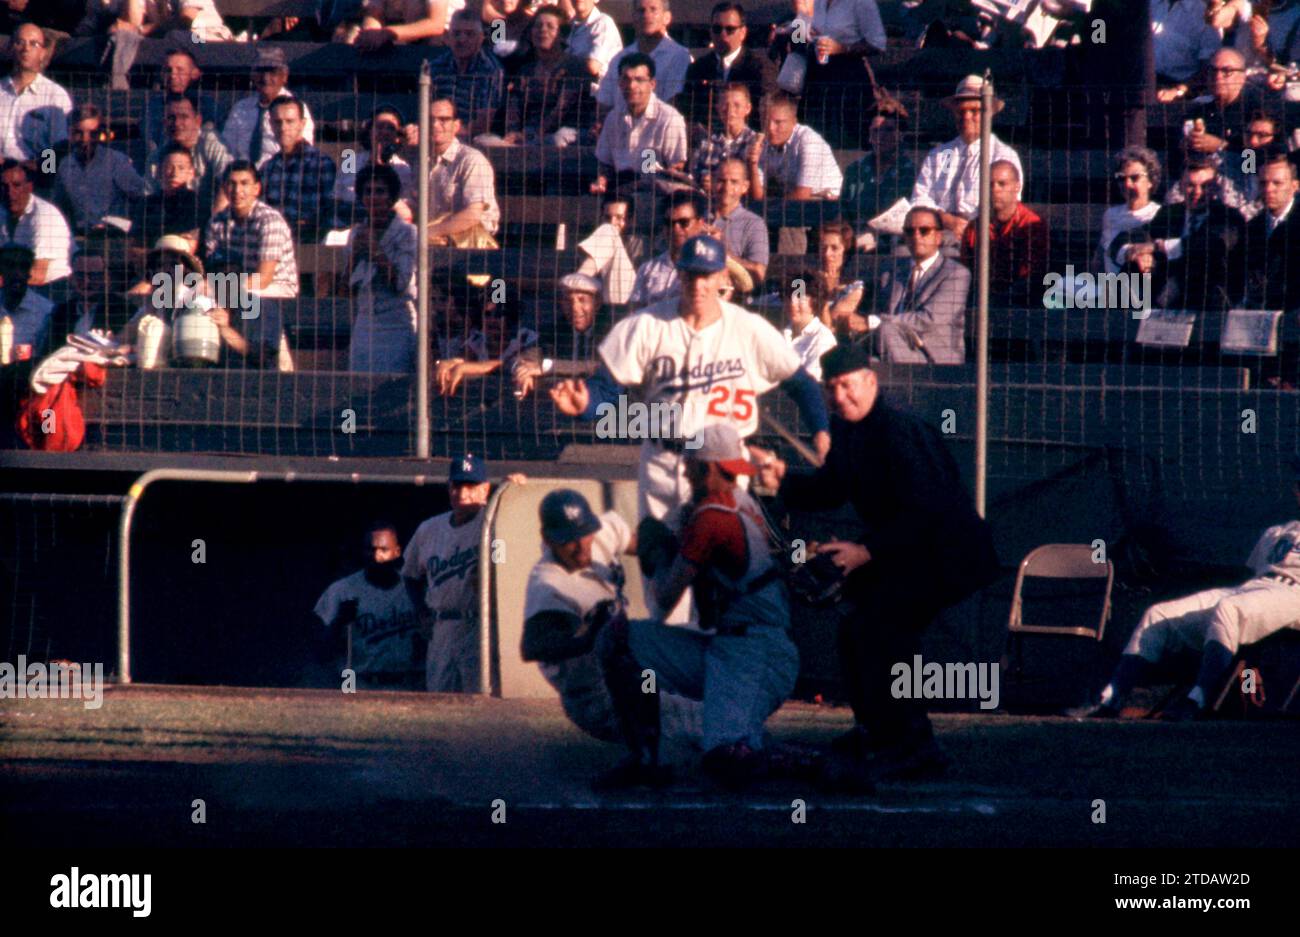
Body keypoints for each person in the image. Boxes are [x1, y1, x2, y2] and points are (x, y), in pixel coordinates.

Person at [750, 344, 999, 790]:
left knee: (881, 630)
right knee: (859, 632)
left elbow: (928, 510)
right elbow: (831, 489)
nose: (839, 396)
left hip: (950, 552)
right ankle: (884, 734)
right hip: (909, 550)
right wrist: (781, 480)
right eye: (830, 389)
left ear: (871, 381)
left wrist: (866, 551)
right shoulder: (849, 432)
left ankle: (909, 747)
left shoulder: (900, 429)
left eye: (847, 385)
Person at [548, 234, 830, 626]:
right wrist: (584, 407)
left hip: (722, 469)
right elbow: (605, 392)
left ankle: (719, 672)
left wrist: (821, 430)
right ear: (679, 275)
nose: (698, 285)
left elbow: (799, 382)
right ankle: (669, 679)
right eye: (690, 275)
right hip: (666, 462)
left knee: (723, 582)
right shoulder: (647, 326)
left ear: (721, 278)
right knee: (664, 584)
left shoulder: (747, 329)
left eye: (707, 276)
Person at [595, 422, 799, 788]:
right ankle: (645, 759)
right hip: (729, 644)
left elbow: (666, 596)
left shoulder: (711, 517)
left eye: (691, 466)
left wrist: (658, 557)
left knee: (725, 761)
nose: (685, 473)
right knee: (620, 638)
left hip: (755, 653)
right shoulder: (742, 502)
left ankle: (808, 763)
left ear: (707, 468)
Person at [1083, 464, 1300, 721]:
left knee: (1230, 608)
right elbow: (1251, 577)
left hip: (1294, 593)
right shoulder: (1278, 531)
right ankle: (1111, 697)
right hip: (1257, 587)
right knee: (1158, 613)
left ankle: (1197, 699)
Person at [403, 454, 525, 692]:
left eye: (471, 487)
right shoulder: (429, 529)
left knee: (481, 698)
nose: (463, 494)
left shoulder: (495, 520)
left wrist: (515, 489)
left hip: (481, 626)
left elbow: (521, 513)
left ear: (485, 489)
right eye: (457, 486)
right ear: (449, 487)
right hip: (442, 627)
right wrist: (422, 614)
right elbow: (409, 575)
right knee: (440, 700)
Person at [1111, 153, 1247, 312]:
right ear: (1181, 186)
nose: (1197, 192)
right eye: (1190, 185)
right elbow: (1124, 239)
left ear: (1215, 186)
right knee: (1129, 270)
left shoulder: (1229, 217)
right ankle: (1121, 327)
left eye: (1204, 186)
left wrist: (1157, 246)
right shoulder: (1170, 213)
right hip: (1164, 298)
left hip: (1208, 303)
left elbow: (1210, 244)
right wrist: (1135, 253)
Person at [313, 520, 424, 690]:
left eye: (384, 550)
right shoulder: (342, 590)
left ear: (397, 552)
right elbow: (321, 653)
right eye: (370, 550)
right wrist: (339, 621)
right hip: (358, 682)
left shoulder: (414, 589)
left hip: (406, 682)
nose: (376, 556)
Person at [911, 75, 1023, 240]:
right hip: (936, 233)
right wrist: (947, 220)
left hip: (982, 238)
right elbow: (919, 198)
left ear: (989, 114)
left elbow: (1007, 206)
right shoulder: (941, 155)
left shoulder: (1002, 156)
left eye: (975, 111)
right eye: (961, 111)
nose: (966, 117)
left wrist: (969, 228)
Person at [345, 164, 419, 373]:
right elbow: (344, 290)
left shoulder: (408, 233)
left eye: (380, 191)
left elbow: (402, 284)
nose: (373, 197)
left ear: (391, 197)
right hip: (364, 324)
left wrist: (376, 253)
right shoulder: (356, 233)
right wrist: (354, 257)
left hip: (396, 324)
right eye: (368, 191)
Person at [591, 53, 689, 210]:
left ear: (652, 84)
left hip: (655, 195)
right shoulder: (613, 117)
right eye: (626, 79)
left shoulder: (669, 118)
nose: (631, 86)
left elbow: (677, 166)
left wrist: (648, 181)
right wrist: (601, 180)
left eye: (639, 80)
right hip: (619, 190)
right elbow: (605, 163)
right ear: (619, 83)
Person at [875, 205, 970, 365]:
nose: (916, 236)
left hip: (935, 358)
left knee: (885, 330)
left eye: (924, 230)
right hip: (893, 349)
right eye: (910, 231)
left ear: (938, 237)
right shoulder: (891, 273)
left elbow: (929, 319)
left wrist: (874, 322)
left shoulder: (956, 273)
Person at [958, 160, 1049, 311]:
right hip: (980, 301)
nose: (995, 190)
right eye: (990, 184)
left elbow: (1032, 278)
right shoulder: (974, 227)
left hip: (1024, 305)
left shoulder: (1032, 225)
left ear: (1017, 187)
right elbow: (964, 272)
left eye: (1002, 184)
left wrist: (995, 302)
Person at [497, 6, 590, 147]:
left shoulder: (574, 67)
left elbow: (560, 110)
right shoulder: (526, 70)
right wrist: (513, 132)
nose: (542, 30)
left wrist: (533, 135)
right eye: (538, 26)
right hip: (526, 133)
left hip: (563, 132)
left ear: (562, 35)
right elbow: (514, 106)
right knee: (484, 141)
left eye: (550, 27)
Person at [802, 0, 886, 146]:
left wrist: (842, 48)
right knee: (813, 137)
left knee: (847, 138)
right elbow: (798, 36)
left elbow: (877, 44)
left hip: (848, 79)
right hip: (815, 76)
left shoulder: (862, 3)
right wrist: (800, 32)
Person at [51, 104, 145, 232]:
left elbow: (142, 197)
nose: (85, 139)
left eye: (92, 133)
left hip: (114, 232)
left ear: (100, 133)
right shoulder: (65, 165)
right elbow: (59, 207)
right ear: (69, 134)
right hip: (81, 233)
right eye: (78, 133)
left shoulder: (115, 161)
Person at [511, 271, 607, 396]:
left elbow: (598, 366)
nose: (575, 308)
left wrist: (547, 367)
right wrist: (522, 372)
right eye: (568, 301)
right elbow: (519, 358)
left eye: (582, 300)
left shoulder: (610, 331)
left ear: (597, 303)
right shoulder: (555, 331)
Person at [681, 3, 775, 131]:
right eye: (717, 29)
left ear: (743, 32)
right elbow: (689, 111)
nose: (722, 34)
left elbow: (767, 115)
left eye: (730, 29)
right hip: (706, 143)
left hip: (747, 142)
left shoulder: (760, 68)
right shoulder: (698, 68)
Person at [221, 49, 316, 169]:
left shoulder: (296, 109)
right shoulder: (241, 109)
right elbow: (227, 147)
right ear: (252, 75)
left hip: (279, 175)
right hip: (243, 179)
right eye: (260, 71)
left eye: (273, 72)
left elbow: (302, 153)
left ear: (284, 76)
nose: (265, 78)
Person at [260, 97, 338, 242]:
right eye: (277, 122)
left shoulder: (322, 164)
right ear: (270, 125)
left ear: (302, 124)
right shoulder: (267, 168)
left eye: (290, 121)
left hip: (310, 245)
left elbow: (333, 213)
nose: (283, 128)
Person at [426, 98, 500, 247]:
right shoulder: (422, 162)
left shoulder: (471, 160)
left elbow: (472, 215)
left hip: (470, 247)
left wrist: (425, 233)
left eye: (443, 119)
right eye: (430, 120)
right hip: (435, 241)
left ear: (456, 125)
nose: (435, 125)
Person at [145, 93, 232, 219]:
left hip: (212, 219)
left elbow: (229, 183)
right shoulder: (156, 157)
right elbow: (149, 197)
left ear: (197, 121)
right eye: (171, 118)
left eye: (183, 117)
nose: (177, 123)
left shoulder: (213, 144)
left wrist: (210, 226)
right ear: (164, 122)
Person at [595, 0, 693, 112]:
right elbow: (604, 104)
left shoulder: (679, 56)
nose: (646, 15)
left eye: (653, 9)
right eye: (641, 11)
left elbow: (672, 106)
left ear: (667, 17)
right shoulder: (619, 59)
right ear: (633, 17)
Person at [839, 106, 915, 248]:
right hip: (857, 242)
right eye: (875, 130)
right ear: (869, 135)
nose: (881, 136)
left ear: (900, 135)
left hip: (898, 244)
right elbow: (843, 212)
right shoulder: (855, 171)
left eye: (889, 130)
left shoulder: (912, 173)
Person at [746, 91, 842, 202]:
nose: (771, 128)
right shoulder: (763, 143)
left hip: (827, 203)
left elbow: (802, 195)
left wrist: (769, 209)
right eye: (765, 121)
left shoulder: (809, 141)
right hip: (794, 204)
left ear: (793, 122)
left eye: (778, 122)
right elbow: (758, 198)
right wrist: (752, 164)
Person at [0, 23, 73, 163]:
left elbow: (59, 147)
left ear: (43, 53)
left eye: (34, 44)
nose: (26, 49)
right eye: (19, 42)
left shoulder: (55, 96)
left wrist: (43, 172)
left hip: (36, 176)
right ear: (10, 48)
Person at [429, 9, 505, 142]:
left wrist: (449, 135)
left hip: (473, 137)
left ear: (481, 38)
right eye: (456, 34)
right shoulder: (435, 67)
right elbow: (425, 109)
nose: (462, 39)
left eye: (470, 34)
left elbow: (483, 123)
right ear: (447, 37)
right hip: (437, 131)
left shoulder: (491, 70)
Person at [333, 106, 416, 222]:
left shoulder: (403, 168)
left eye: (391, 128)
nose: (385, 132)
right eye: (379, 127)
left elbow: (405, 207)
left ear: (398, 137)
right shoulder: (350, 160)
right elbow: (339, 195)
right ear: (369, 131)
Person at [1241, 152, 1300, 313]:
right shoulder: (1252, 228)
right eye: (1263, 183)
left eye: (1277, 183)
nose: (1268, 189)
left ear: (1295, 186)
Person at [0, 159, 72, 289]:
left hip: (53, 289)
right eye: (3, 186)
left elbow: (38, 275)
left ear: (29, 187)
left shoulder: (45, 216)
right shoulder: (2, 212)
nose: (9, 192)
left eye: (16, 185)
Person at [141, 49, 224, 161]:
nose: (173, 76)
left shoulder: (207, 105)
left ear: (195, 73)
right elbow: (151, 142)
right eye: (168, 70)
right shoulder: (154, 106)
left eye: (180, 70)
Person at [627, 191, 706, 306]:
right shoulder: (647, 269)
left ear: (700, 224)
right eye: (669, 223)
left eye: (684, 222)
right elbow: (635, 312)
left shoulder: (708, 270)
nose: (675, 228)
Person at [1096, 146, 1162, 274]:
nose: (1127, 184)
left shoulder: (1159, 214)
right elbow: (1104, 254)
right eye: (1121, 178)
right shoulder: (1111, 215)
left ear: (1150, 181)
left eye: (1135, 178)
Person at [705, 157, 768, 288]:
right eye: (721, 181)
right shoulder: (698, 218)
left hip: (734, 293)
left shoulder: (754, 224)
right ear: (712, 182)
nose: (727, 188)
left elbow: (759, 272)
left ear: (745, 187)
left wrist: (722, 253)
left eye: (734, 182)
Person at [691, 83, 760, 192]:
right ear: (718, 107)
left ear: (748, 108)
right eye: (725, 104)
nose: (730, 110)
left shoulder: (755, 143)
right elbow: (692, 174)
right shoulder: (707, 140)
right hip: (703, 200)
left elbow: (757, 191)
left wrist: (716, 183)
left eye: (736, 105)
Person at [1151, 0, 1225, 91]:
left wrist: (1179, 91)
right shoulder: (1148, 5)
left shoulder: (1204, 13)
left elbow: (1208, 68)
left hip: (1181, 90)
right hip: (1141, 83)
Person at [781, 272, 836, 379]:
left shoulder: (823, 339)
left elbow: (810, 382)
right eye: (789, 297)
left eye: (800, 298)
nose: (792, 304)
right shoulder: (780, 334)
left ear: (815, 301)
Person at [0, 244, 54, 353]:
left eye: (23, 267)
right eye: (10, 266)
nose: (17, 274)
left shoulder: (47, 311)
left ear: (30, 272)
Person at [813, 221, 864, 327]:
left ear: (845, 251)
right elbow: (796, 314)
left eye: (834, 248)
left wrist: (825, 292)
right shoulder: (802, 280)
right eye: (823, 248)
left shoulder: (855, 288)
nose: (827, 254)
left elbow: (830, 327)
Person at [354, 0, 459, 49]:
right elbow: (374, 14)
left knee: (435, 40)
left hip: (448, 42)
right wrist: (369, 35)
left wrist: (384, 34)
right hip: (409, 40)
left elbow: (436, 25)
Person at [566, 0, 623, 86]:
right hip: (577, 90)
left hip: (602, 92)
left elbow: (593, 66)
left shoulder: (603, 23)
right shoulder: (570, 26)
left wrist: (563, 61)